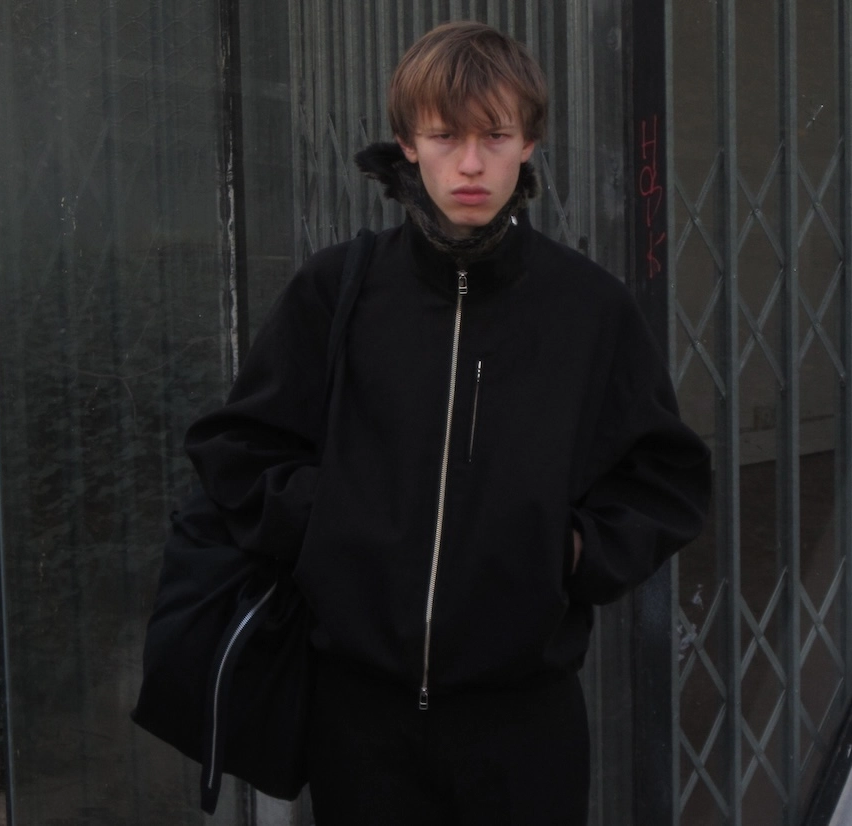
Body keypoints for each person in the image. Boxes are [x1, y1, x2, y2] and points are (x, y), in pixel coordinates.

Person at [184, 20, 711, 826]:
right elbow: (237, 448)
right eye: (445, 136)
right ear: (408, 144)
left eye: (494, 136)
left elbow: (665, 478)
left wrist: (569, 551)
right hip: (359, 721)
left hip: (523, 724)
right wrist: (333, 528)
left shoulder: (588, 309)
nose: (470, 164)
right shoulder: (338, 290)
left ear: (529, 143)